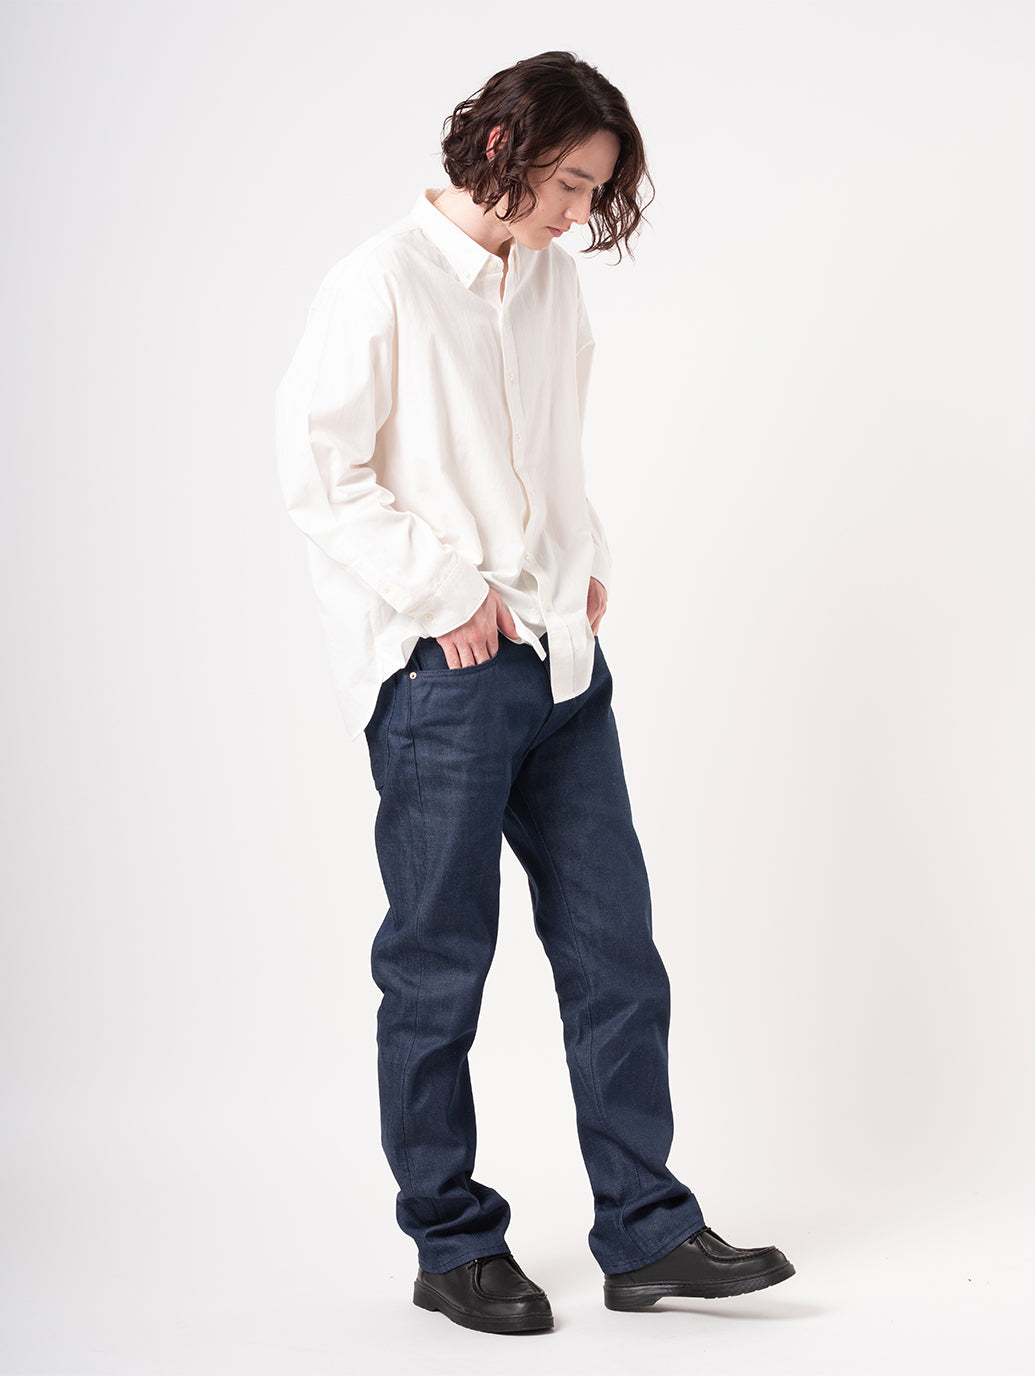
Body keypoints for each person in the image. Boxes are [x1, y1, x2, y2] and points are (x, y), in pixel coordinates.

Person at [276, 50, 793, 1335]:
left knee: (616, 951)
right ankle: (452, 1244)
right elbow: (321, 473)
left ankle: (648, 1231)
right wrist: (446, 593)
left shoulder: (551, 282)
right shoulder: (377, 284)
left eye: (595, 189)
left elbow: (555, 446)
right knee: (438, 968)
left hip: (563, 665)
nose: (579, 212)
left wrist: (582, 557)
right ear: (503, 148)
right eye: (569, 183)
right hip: (443, 677)